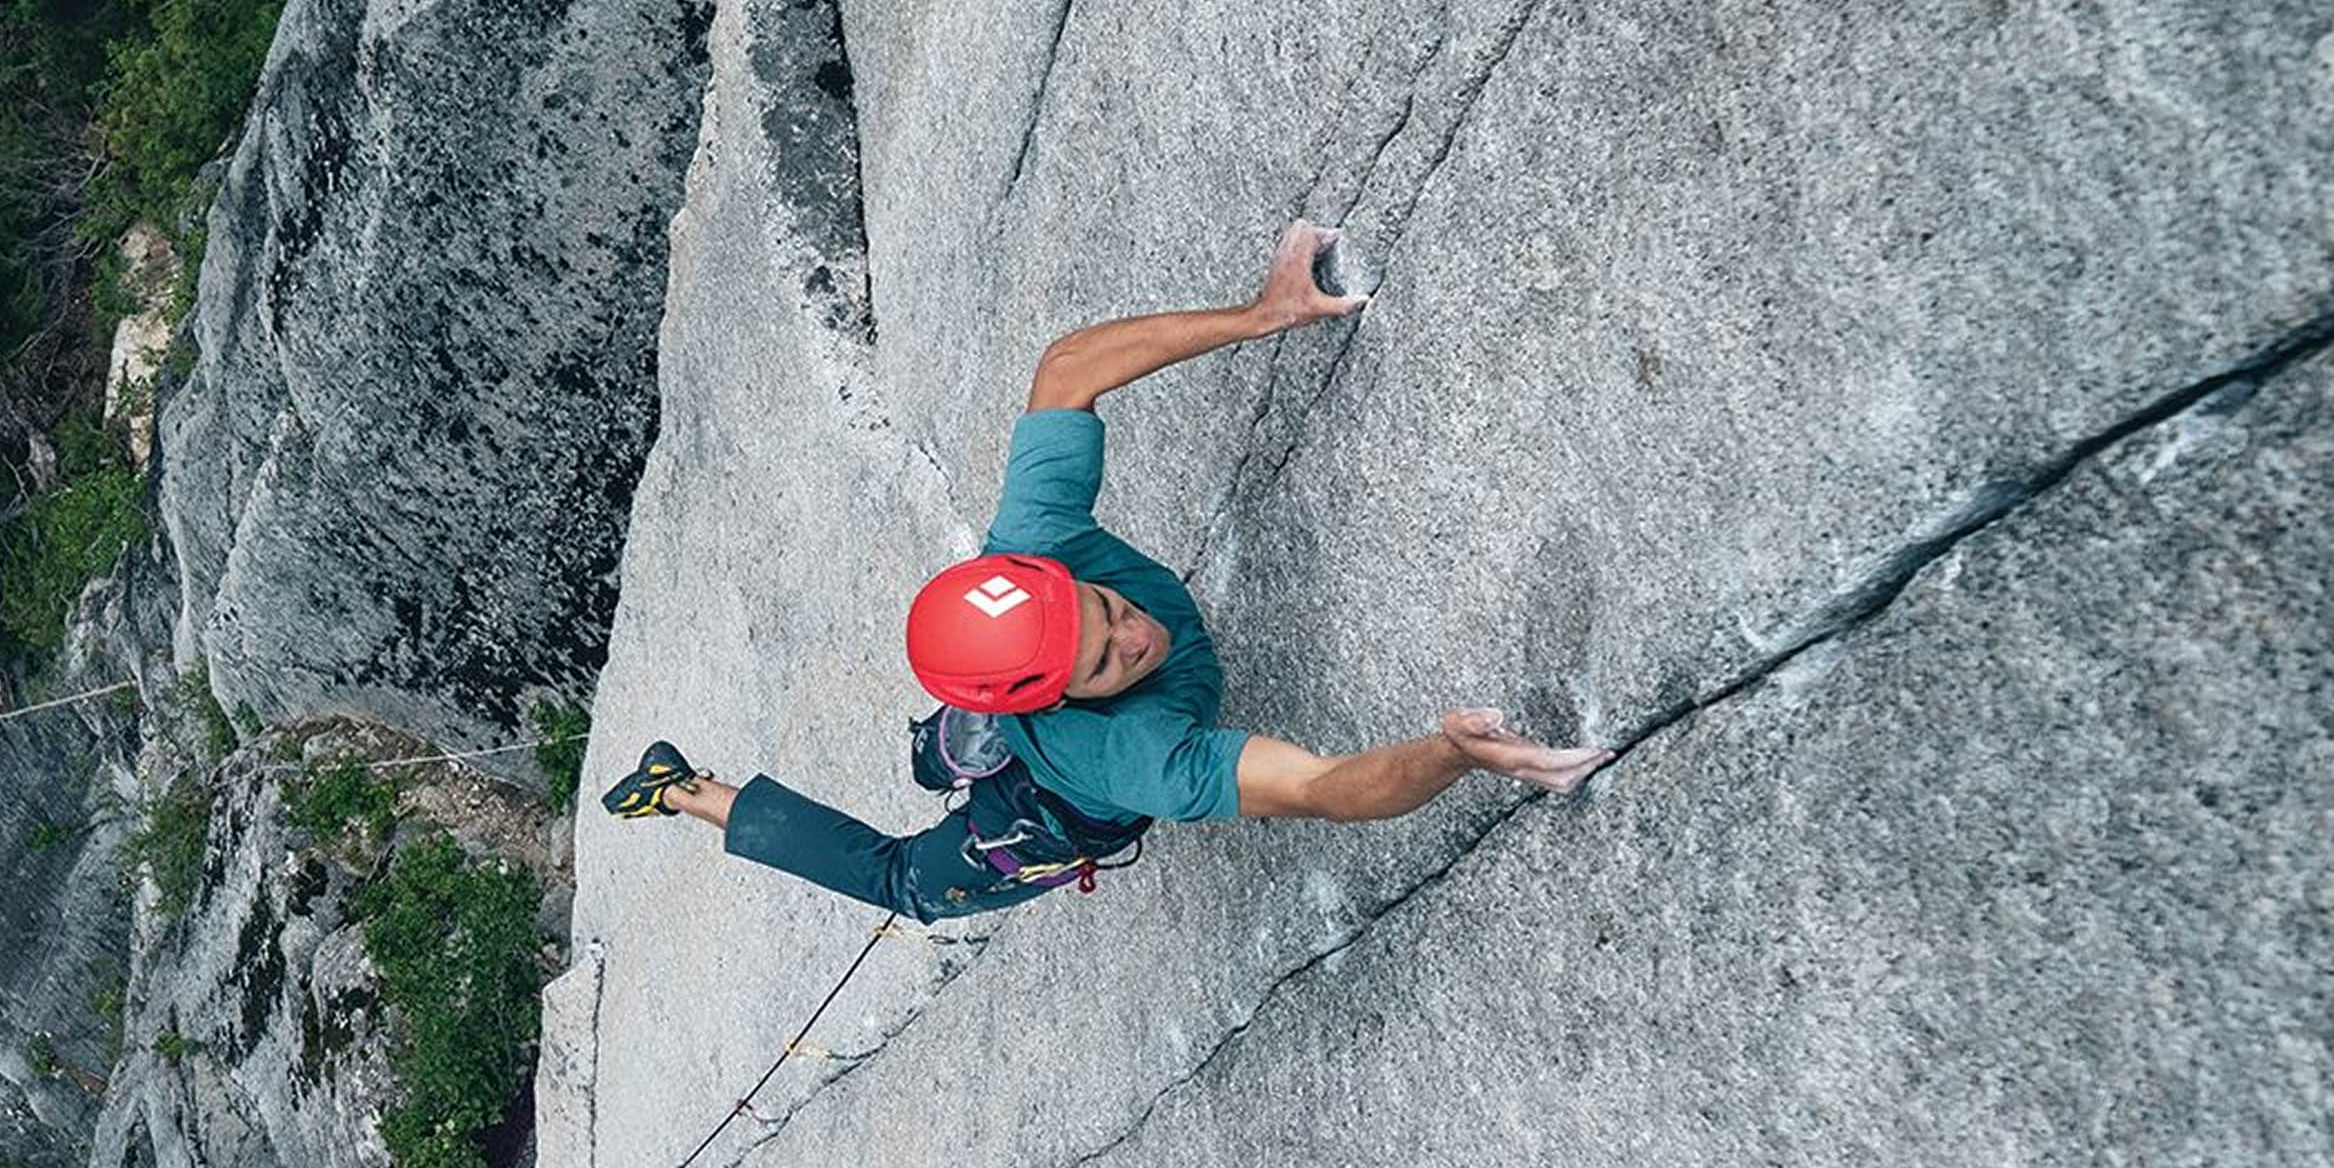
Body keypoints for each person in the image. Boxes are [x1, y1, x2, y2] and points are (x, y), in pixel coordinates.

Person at [604, 221, 1610, 921]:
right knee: (904, 882)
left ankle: (941, 742)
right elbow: (1322, 788)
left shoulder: (1031, 547)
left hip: (1015, 714)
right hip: (1049, 803)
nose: (1136, 632)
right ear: (1057, 700)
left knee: (944, 762)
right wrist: (1455, 755)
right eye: (1106, 658)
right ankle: (688, 791)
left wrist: (1259, 315)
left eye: (1103, 609)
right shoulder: (1131, 759)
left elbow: (1066, 368)